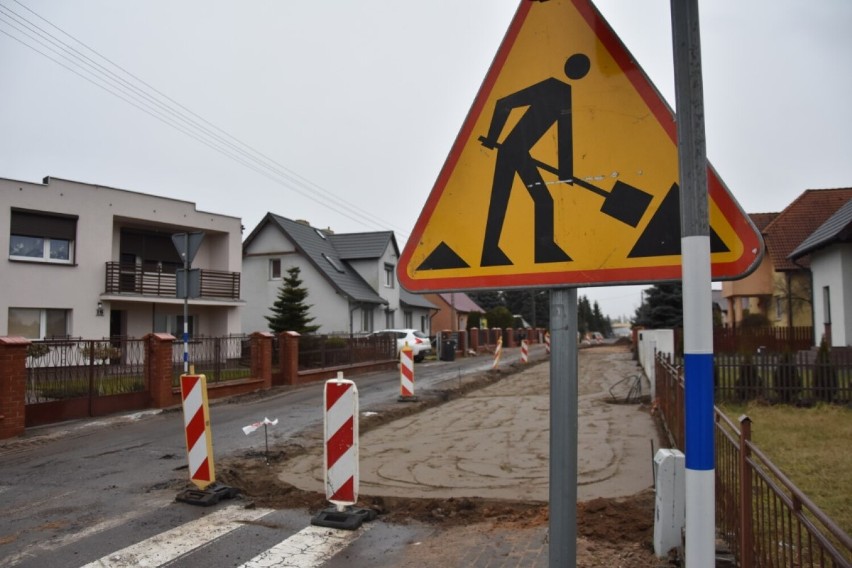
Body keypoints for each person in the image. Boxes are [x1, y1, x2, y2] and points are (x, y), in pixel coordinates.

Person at [478, 53, 590, 266]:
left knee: (532, 201)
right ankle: (499, 251)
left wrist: (566, 174)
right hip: (511, 151)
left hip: (519, 152)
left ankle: (536, 249)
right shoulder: (551, 87)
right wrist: (492, 138)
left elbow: (565, 136)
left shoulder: (565, 93)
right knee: (503, 201)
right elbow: (504, 103)